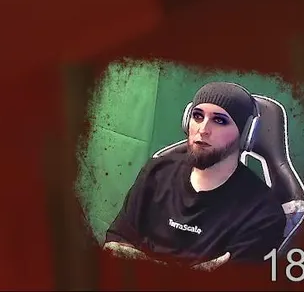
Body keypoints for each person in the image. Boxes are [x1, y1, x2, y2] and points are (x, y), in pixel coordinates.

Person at [104, 82, 287, 269]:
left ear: (246, 133)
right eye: (197, 116)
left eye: (219, 120)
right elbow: (116, 243)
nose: (203, 129)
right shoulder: (157, 172)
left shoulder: (262, 214)